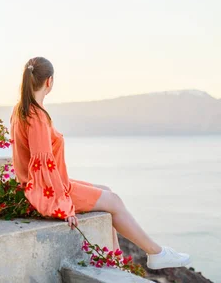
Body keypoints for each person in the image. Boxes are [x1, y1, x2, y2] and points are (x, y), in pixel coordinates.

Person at [10, 57, 190, 270]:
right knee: (113, 200)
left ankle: (115, 263)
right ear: (49, 82)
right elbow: (42, 167)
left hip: (43, 185)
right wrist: (63, 207)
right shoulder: (37, 116)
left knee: (106, 191)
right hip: (44, 191)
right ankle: (156, 252)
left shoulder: (22, 109)